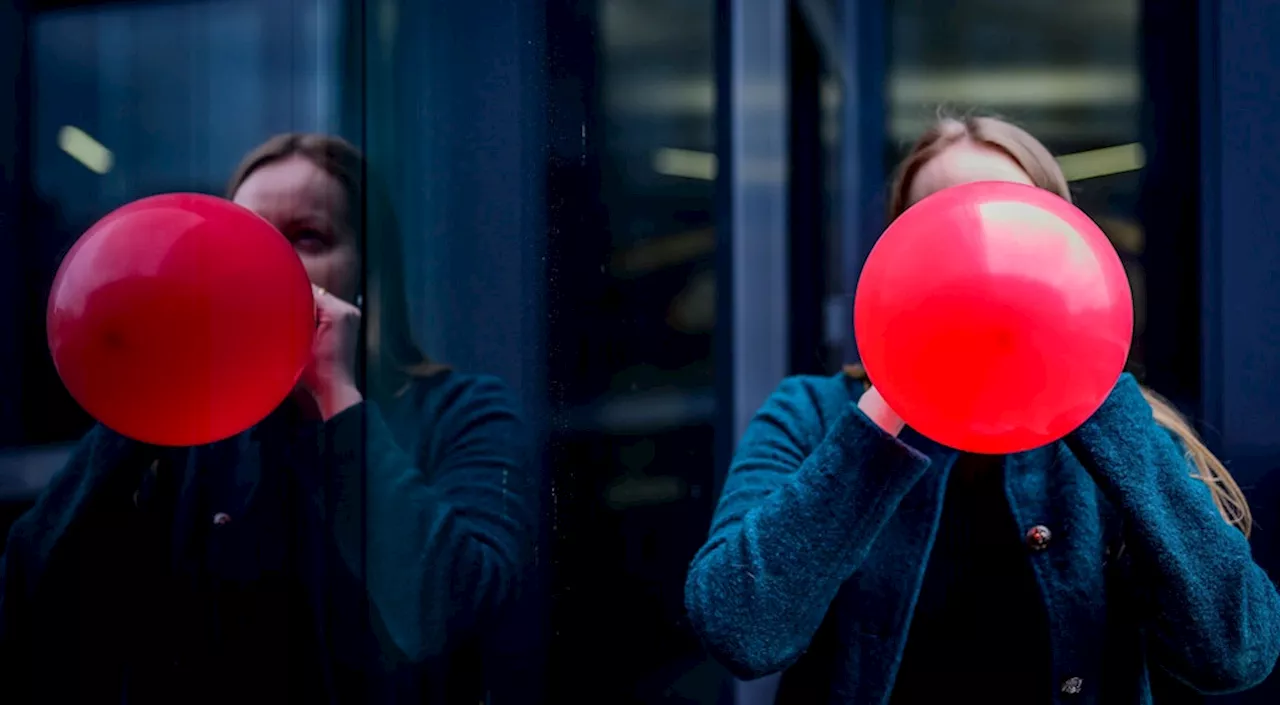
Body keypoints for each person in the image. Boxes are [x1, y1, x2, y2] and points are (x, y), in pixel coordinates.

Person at [685, 115, 1280, 704]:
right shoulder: (810, 413)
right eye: (941, 226)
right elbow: (741, 632)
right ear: (895, 255)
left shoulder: (1122, 430)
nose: (977, 255)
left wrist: (1095, 387)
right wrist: (884, 404)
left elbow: (1235, 652)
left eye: (1010, 219)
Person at [0, 133, 537, 704]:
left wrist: (335, 401)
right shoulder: (188, 423)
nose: (269, 261)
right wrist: (144, 395)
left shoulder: (463, 412)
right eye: (245, 236)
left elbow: (455, 612)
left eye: (308, 237)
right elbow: (29, 600)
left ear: (370, 268)